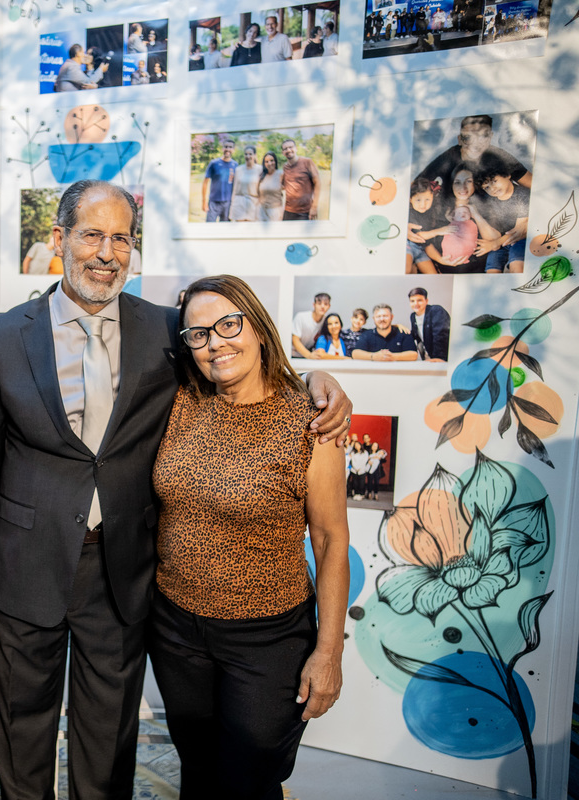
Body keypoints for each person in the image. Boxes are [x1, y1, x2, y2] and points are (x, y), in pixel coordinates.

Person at [0, 180, 351, 799]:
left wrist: (318, 378)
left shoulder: (169, 330)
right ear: (59, 239)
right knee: (22, 726)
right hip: (26, 564)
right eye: (92, 234)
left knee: (107, 738)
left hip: (123, 571)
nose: (107, 252)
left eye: (122, 238)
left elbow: (236, 353)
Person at [150, 274, 348, 799]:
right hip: (175, 628)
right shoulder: (181, 401)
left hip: (268, 638)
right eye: (198, 334)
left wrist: (329, 651)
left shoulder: (310, 421)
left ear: (257, 326)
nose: (215, 343)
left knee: (251, 776)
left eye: (228, 325)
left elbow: (329, 540)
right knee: (198, 766)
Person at [417, 115, 533, 193]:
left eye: (482, 136)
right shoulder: (450, 156)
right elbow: (416, 184)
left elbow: (531, 183)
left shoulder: (500, 157)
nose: (475, 143)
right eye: (468, 138)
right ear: (459, 139)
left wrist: (525, 219)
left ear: (490, 138)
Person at [473, 151, 530, 273]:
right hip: (501, 241)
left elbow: (519, 232)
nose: (492, 188)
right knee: (492, 268)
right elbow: (494, 233)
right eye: (487, 187)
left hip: (520, 239)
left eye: (494, 181)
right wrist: (495, 244)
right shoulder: (489, 202)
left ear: (507, 175)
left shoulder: (523, 195)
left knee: (517, 264)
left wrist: (494, 244)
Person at [352, 303, 418, 361]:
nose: (382, 319)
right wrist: (374, 356)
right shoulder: (367, 334)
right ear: (374, 319)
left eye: (385, 316)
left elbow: (414, 355)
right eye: (378, 316)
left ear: (391, 317)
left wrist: (392, 357)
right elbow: (355, 353)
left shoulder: (403, 333)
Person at [406, 176, 446, 273]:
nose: (423, 204)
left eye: (427, 199)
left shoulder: (430, 215)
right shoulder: (410, 213)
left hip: (421, 250)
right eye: (418, 200)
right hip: (408, 246)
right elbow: (419, 235)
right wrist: (439, 231)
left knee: (433, 275)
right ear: (410, 199)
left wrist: (441, 259)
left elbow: (427, 243)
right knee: (406, 270)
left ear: (432, 196)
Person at [281, 138, 320, 220]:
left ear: (296, 148)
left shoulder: (307, 162)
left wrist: (314, 207)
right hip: (288, 211)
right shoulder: (285, 167)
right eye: (285, 149)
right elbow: (283, 185)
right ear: (283, 153)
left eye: (291, 147)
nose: (288, 150)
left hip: (304, 212)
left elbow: (317, 183)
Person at [408, 287, 450, 362]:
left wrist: (439, 358)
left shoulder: (436, 310)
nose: (416, 304)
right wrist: (397, 326)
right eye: (412, 301)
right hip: (428, 357)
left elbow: (440, 336)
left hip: (443, 358)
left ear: (426, 301)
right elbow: (415, 336)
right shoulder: (413, 316)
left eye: (419, 300)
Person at [202, 141, 236, 222]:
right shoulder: (214, 163)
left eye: (230, 147)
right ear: (222, 148)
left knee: (225, 231)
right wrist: (203, 201)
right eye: (226, 146)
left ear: (233, 149)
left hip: (228, 204)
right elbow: (205, 182)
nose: (228, 149)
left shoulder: (235, 165)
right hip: (213, 202)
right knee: (209, 229)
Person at [291, 292, 330, 359]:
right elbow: (295, 340)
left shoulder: (326, 321)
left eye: (326, 304)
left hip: (308, 356)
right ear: (314, 305)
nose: (322, 306)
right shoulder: (301, 317)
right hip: (293, 355)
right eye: (319, 303)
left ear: (329, 306)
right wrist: (309, 355)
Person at [229, 145, 262, 221]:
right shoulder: (238, 169)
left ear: (255, 155)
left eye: (250, 154)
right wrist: (232, 207)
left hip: (253, 205)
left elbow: (261, 190)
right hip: (239, 205)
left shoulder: (259, 169)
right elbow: (235, 189)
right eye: (246, 154)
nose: (248, 156)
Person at [258, 151, 285, 221]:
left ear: (275, 161)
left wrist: (282, 211)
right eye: (266, 161)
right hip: (262, 211)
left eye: (272, 161)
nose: (269, 163)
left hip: (275, 211)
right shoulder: (261, 176)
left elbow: (286, 193)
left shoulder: (281, 174)